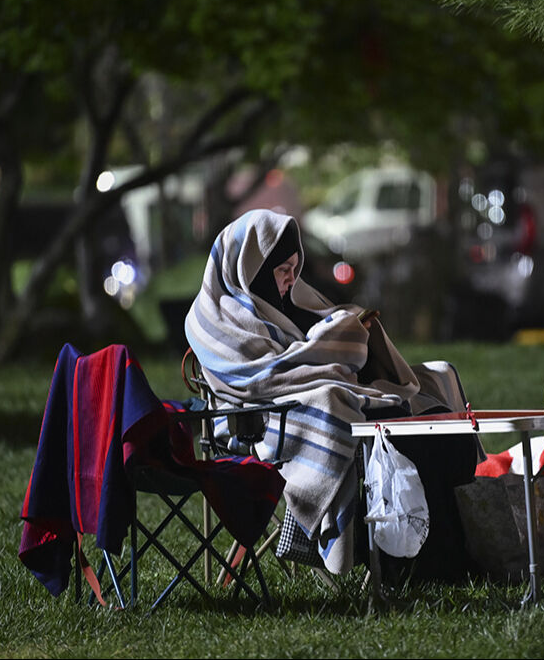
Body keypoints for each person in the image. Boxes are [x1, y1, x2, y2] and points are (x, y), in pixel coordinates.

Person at [184, 208, 479, 576]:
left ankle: (452, 551)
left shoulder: (291, 298)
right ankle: (407, 564)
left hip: (318, 397)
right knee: (389, 423)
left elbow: (322, 334)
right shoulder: (214, 315)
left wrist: (351, 332)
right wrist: (332, 346)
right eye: (282, 270)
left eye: (296, 267)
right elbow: (263, 378)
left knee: (435, 417)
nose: (292, 279)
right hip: (262, 420)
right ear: (252, 269)